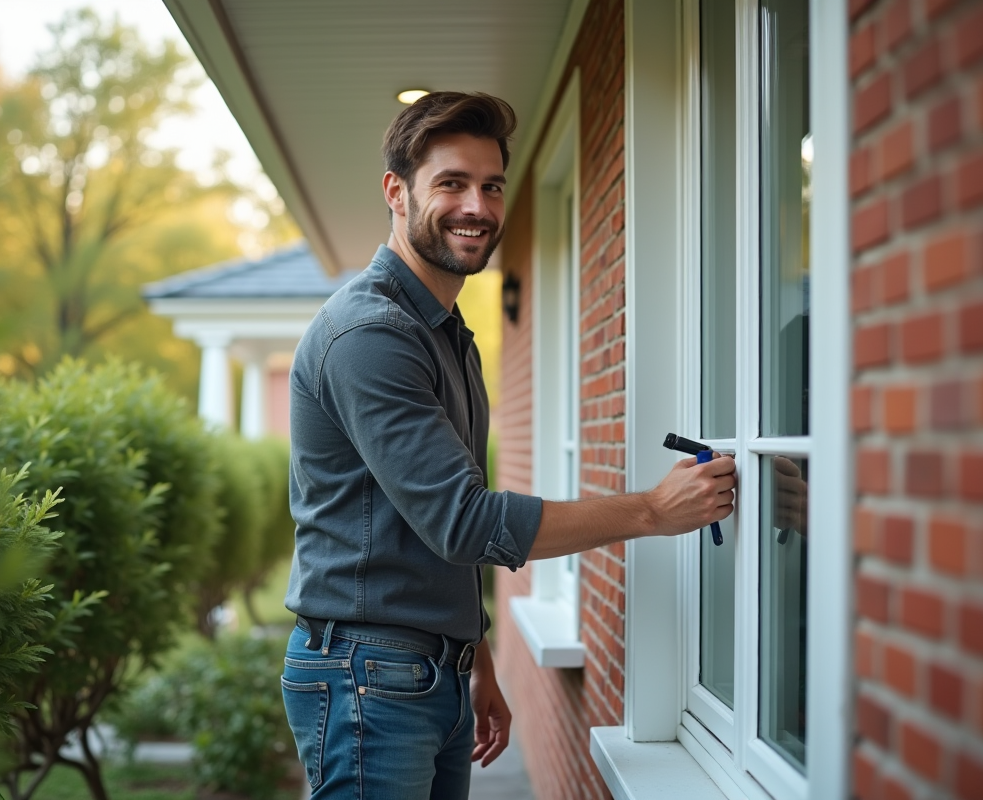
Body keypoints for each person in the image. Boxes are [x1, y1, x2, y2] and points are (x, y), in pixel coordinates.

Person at [281, 91, 736, 800]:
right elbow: (466, 522)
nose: (478, 206)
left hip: (425, 668)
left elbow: (425, 527)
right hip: (368, 677)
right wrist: (651, 510)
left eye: (491, 185)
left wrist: (473, 652)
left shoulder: (444, 335)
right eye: (452, 184)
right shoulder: (370, 335)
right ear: (396, 193)